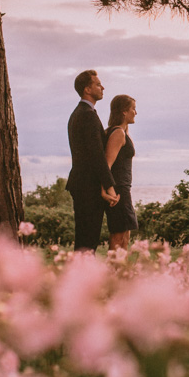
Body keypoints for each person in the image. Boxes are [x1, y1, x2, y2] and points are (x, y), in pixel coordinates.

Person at [66, 70, 118, 252]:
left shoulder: (81, 113)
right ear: (87, 89)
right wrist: (109, 185)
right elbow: (96, 155)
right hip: (87, 185)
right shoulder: (87, 114)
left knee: (86, 239)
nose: (102, 87)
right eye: (98, 84)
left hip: (82, 184)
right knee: (88, 240)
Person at [104, 94, 139, 251]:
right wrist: (107, 189)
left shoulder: (121, 131)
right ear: (124, 112)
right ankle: (115, 272)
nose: (135, 112)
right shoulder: (118, 133)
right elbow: (106, 165)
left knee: (125, 233)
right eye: (133, 109)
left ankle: (121, 272)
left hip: (122, 188)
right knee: (119, 235)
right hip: (117, 190)